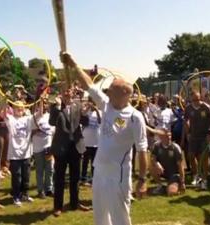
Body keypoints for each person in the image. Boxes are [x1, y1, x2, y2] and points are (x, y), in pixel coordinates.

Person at [60, 52, 148, 225]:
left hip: (119, 175)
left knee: (120, 218)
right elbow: (89, 84)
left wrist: (143, 180)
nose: (107, 92)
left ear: (123, 94)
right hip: (100, 171)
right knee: (100, 217)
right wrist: (73, 63)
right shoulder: (107, 105)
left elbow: (143, 150)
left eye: (111, 90)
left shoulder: (135, 117)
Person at [49, 86, 90, 217]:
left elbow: (86, 122)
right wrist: (57, 107)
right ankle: (58, 206)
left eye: (69, 90)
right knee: (59, 178)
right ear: (61, 92)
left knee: (75, 178)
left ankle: (74, 203)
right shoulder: (56, 106)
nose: (67, 92)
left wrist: (84, 113)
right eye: (65, 90)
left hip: (76, 147)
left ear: (73, 92)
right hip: (61, 147)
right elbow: (51, 122)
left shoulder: (78, 105)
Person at [182, 91, 210, 190]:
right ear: (191, 99)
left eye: (198, 99)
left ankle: (205, 180)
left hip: (205, 136)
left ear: (200, 98)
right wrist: (188, 133)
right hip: (193, 136)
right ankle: (196, 175)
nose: (196, 102)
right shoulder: (188, 108)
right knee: (191, 156)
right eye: (194, 100)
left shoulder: (206, 107)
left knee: (205, 157)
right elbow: (186, 120)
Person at [4, 101, 36, 206]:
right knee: (16, 176)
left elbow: (39, 114)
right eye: (17, 107)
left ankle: (25, 195)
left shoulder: (28, 118)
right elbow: (3, 114)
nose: (20, 109)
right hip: (14, 154)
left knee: (26, 176)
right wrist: (4, 100)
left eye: (22, 108)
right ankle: (16, 196)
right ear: (13, 108)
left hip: (26, 154)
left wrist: (40, 100)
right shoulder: (11, 119)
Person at [150, 129, 185, 196]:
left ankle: (174, 184)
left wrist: (182, 182)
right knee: (152, 166)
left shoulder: (175, 147)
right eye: (166, 136)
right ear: (161, 137)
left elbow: (181, 166)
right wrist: (157, 164)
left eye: (170, 135)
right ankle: (160, 185)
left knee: (171, 193)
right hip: (162, 172)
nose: (169, 137)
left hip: (174, 174)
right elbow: (152, 158)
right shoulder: (156, 145)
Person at [32, 98, 55, 199]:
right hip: (37, 148)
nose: (45, 105)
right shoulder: (34, 117)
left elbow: (53, 131)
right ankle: (40, 190)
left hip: (48, 147)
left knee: (49, 169)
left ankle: (49, 189)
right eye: (42, 104)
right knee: (40, 170)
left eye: (46, 104)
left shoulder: (50, 117)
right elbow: (30, 131)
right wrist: (35, 131)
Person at [81, 97, 101, 185]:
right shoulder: (87, 111)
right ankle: (83, 178)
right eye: (91, 102)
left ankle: (94, 177)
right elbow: (82, 115)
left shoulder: (99, 112)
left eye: (94, 103)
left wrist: (96, 111)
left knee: (94, 161)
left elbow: (100, 121)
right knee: (85, 161)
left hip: (96, 142)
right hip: (86, 141)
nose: (93, 104)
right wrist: (88, 108)